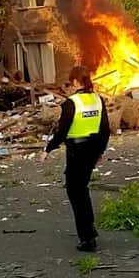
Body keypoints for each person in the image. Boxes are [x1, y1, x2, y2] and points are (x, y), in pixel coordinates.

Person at [40, 66, 110, 252]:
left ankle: (87, 238)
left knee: (75, 192)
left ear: (77, 82)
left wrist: (48, 149)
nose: (70, 86)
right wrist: (100, 152)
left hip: (77, 152)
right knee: (82, 190)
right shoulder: (98, 100)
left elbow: (62, 131)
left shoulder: (71, 103)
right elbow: (105, 130)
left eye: (71, 82)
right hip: (92, 150)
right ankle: (89, 230)